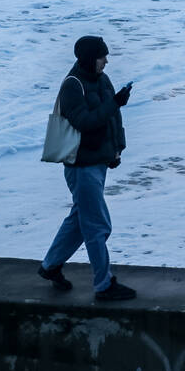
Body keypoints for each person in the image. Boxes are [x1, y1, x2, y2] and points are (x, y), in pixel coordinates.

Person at [37, 34, 136, 301]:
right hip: (81, 166)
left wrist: (117, 148)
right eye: (102, 56)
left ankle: (50, 266)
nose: (106, 60)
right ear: (89, 58)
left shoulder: (102, 80)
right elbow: (85, 122)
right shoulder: (72, 85)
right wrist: (115, 102)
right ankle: (103, 285)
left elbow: (113, 117)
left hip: (98, 161)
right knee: (97, 224)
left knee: (80, 221)